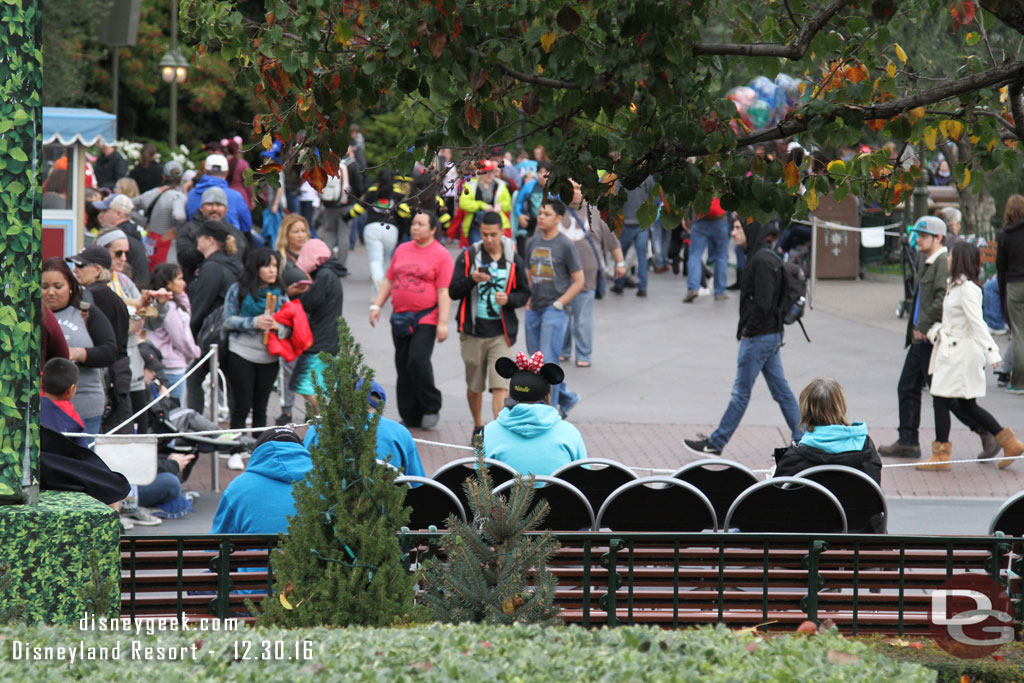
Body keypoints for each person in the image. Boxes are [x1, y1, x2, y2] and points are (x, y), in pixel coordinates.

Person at [878, 216, 997, 459]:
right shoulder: (931, 260)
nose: (918, 239)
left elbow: (941, 300)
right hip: (925, 337)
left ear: (938, 238)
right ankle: (908, 440)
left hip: (934, 340)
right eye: (918, 234)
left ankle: (987, 432)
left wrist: (921, 326)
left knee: (947, 398)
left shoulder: (943, 260)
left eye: (923, 235)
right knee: (911, 387)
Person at [684, 219, 802, 456]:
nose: (734, 232)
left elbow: (763, 304)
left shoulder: (760, 260)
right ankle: (803, 437)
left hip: (760, 338)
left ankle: (716, 443)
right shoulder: (760, 257)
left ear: (751, 231)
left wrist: (749, 331)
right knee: (781, 391)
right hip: (769, 336)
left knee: (741, 393)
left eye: (738, 228)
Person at [916, 242, 1024, 470]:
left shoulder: (966, 289)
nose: (947, 258)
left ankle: (941, 455)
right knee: (966, 405)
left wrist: (992, 352)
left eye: (951, 255)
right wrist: (936, 332)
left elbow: (978, 324)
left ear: (960, 260)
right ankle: (1009, 442)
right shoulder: (955, 286)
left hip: (959, 354)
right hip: (954, 351)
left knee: (941, 399)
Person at [449, 211, 531, 442]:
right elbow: (453, 291)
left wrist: (509, 300)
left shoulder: (513, 258)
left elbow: (524, 293)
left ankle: (497, 432)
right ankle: (478, 425)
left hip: (500, 334)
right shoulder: (468, 258)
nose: (489, 239)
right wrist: (471, 280)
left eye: (493, 234)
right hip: (472, 332)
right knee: (474, 386)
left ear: (502, 233)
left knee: (500, 387)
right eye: (484, 234)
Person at [369, 210, 454, 429]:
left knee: (418, 360)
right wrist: (376, 305)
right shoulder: (402, 249)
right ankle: (410, 415)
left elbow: (444, 292)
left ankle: (431, 405)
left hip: (426, 317)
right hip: (399, 317)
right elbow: (389, 280)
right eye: (414, 224)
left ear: (433, 229)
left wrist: (443, 324)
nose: (415, 227)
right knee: (403, 365)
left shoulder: (441, 254)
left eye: (421, 224)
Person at [42, 258, 117, 435]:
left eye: (58, 286)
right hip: (43, 408)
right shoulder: (29, 316)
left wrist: (77, 353)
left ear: (70, 286)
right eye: (44, 287)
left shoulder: (86, 312)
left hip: (85, 404)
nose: (51, 293)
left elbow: (110, 350)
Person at [525, 198, 585, 417]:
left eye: (547, 214)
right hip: (535, 308)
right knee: (535, 363)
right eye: (540, 213)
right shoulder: (532, 242)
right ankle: (568, 397)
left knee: (549, 362)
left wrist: (560, 303)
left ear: (559, 219)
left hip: (555, 310)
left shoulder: (566, 245)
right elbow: (529, 271)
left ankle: (552, 412)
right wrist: (529, 297)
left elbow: (579, 280)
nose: (541, 217)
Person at [482, 353, 587, 475]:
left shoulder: (489, 432)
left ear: (510, 395)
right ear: (549, 395)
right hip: (556, 494)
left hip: (505, 494)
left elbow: (478, 482)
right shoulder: (569, 433)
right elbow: (584, 478)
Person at [559, 181, 626, 367]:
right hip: (560, 277)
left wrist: (620, 263)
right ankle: (563, 350)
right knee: (561, 316)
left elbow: (611, 241)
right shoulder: (555, 211)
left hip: (587, 278)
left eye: (580, 188)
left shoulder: (595, 213)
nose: (576, 193)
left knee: (582, 318)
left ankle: (583, 353)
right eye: (572, 189)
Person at [303, 379, 425, 479]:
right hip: (386, 504)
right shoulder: (398, 431)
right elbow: (417, 482)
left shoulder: (317, 429)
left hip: (329, 503)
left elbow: (304, 475)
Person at [222, 248, 286, 434]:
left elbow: (291, 326)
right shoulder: (238, 289)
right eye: (267, 266)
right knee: (241, 405)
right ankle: (237, 447)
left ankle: (259, 448)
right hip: (241, 353)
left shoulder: (281, 293)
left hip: (270, 357)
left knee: (261, 408)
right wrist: (254, 322)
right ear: (255, 268)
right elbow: (227, 319)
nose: (272, 270)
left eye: (275, 265)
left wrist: (278, 326)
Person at [773, 377, 882, 484]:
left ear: (805, 410)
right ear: (842, 406)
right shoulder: (867, 450)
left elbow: (774, 497)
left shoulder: (794, 460)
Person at [210, 427, 313, 534]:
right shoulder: (323, 482)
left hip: (259, 551)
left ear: (258, 452)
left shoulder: (238, 487)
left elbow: (218, 540)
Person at [186, 221, 243, 413]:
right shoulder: (231, 264)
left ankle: (196, 428)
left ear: (209, 240)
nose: (197, 241)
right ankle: (235, 429)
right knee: (230, 382)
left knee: (194, 378)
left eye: (200, 237)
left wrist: (189, 335)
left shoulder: (211, 268)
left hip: (212, 335)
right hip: (229, 333)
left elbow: (200, 306)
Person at [290, 239, 345, 415]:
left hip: (319, 340)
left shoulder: (324, 276)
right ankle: (317, 421)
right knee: (319, 384)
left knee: (301, 382)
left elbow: (309, 303)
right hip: (329, 338)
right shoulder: (331, 274)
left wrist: (293, 294)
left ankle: (324, 415)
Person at [273, 213, 311, 424]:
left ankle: (310, 409)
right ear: (286, 234)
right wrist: (289, 292)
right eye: (295, 231)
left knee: (308, 365)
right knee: (288, 366)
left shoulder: (313, 254)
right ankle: (286, 410)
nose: (300, 235)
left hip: (310, 317)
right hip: (289, 318)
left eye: (303, 230)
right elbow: (272, 287)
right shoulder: (280, 258)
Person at [148, 262, 200, 405]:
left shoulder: (172, 302)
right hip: (170, 365)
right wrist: (194, 352)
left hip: (167, 362)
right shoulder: (169, 307)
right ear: (168, 284)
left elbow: (186, 312)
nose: (183, 283)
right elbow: (179, 337)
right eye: (179, 279)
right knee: (175, 411)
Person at [176, 186, 248, 284]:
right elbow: (183, 257)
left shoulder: (235, 232)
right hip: (196, 284)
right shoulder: (189, 229)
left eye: (219, 205)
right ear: (201, 207)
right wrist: (207, 250)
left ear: (226, 209)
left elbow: (244, 260)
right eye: (209, 204)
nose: (214, 209)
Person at [133, 161, 187, 269]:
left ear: (163, 176)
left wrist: (144, 222)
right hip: (167, 246)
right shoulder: (178, 196)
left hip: (150, 243)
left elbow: (127, 206)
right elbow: (178, 215)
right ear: (181, 178)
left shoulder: (152, 193)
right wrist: (177, 229)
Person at [186, 153, 254, 236]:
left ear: (205, 171)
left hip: (196, 243)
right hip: (229, 245)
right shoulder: (236, 197)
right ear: (227, 172)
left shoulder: (191, 194)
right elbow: (246, 226)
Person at [997, 194, 1024, 393]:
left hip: (1014, 285)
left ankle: (1018, 382)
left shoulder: (1005, 235)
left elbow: (1001, 268)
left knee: (1018, 333)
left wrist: (1001, 293)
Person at [94, 194, 151, 289]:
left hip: (128, 291)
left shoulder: (119, 238)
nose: (100, 215)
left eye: (105, 211)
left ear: (119, 214)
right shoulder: (133, 233)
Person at [611, 175, 654, 298]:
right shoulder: (648, 177)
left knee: (620, 255)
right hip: (642, 223)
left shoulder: (622, 177)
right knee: (642, 257)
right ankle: (642, 287)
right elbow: (652, 197)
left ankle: (619, 284)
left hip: (625, 222)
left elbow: (616, 199)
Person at [684, 197, 730, 302]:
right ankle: (720, 291)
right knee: (721, 256)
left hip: (700, 220)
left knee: (695, 255)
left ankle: (693, 288)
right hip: (720, 220)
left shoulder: (698, 180)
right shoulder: (721, 180)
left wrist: (687, 217)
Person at [459, 160, 512, 246]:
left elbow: (508, 204)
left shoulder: (501, 185)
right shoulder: (470, 185)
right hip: (476, 225)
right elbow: (463, 203)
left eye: (491, 171)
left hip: (496, 223)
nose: (489, 174)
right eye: (486, 172)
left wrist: (500, 206)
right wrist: (481, 205)